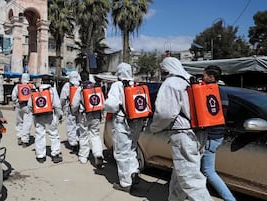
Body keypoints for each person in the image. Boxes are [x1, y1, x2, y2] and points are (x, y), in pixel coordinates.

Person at [150, 57, 213, 201]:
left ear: (166, 69)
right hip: (200, 132)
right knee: (181, 174)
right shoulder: (192, 80)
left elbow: (165, 113)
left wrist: (155, 127)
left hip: (184, 134)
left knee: (190, 180)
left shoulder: (172, 83)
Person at [103, 63, 143, 192]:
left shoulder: (117, 85)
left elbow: (112, 105)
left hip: (123, 122)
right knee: (132, 148)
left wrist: (105, 105)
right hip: (137, 121)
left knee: (121, 152)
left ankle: (125, 183)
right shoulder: (136, 84)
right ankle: (134, 172)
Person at [201, 65, 236, 201]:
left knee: (208, 171)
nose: (202, 78)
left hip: (211, 136)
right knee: (200, 171)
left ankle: (230, 199)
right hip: (217, 135)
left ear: (211, 77)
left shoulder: (210, 93)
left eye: (204, 76)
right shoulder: (221, 92)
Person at [71, 71, 104, 167]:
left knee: (83, 135)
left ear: (80, 78)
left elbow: (74, 104)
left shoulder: (80, 89)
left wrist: (74, 112)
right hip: (96, 114)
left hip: (84, 115)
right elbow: (103, 102)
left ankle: (83, 156)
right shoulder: (96, 88)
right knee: (95, 135)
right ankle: (98, 154)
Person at [28, 76, 63, 164]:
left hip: (38, 116)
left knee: (39, 135)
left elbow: (29, 105)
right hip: (50, 116)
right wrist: (60, 115)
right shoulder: (52, 90)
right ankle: (55, 155)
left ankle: (41, 156)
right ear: (50, 81)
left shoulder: (36, 90)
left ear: (42, 81)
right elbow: (57, 105)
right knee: (54, 134)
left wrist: (35, 112)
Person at [59, 71, 81, 154]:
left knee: (71, 126)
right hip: (80, 109)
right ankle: (79, 141)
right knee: (79, 125)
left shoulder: (67, 85)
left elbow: (62, 99)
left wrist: (61, 109)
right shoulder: (80, 84)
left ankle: (74, 145)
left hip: (70, 109)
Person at [11, 73, 34, 147]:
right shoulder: (32, 86)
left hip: (19, 106)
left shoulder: (17, 86)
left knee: (19, 122)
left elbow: (13, 97)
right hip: (28, 107)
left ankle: (19, 137)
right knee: (27, 123)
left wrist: (17, 101)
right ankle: (25, 140)